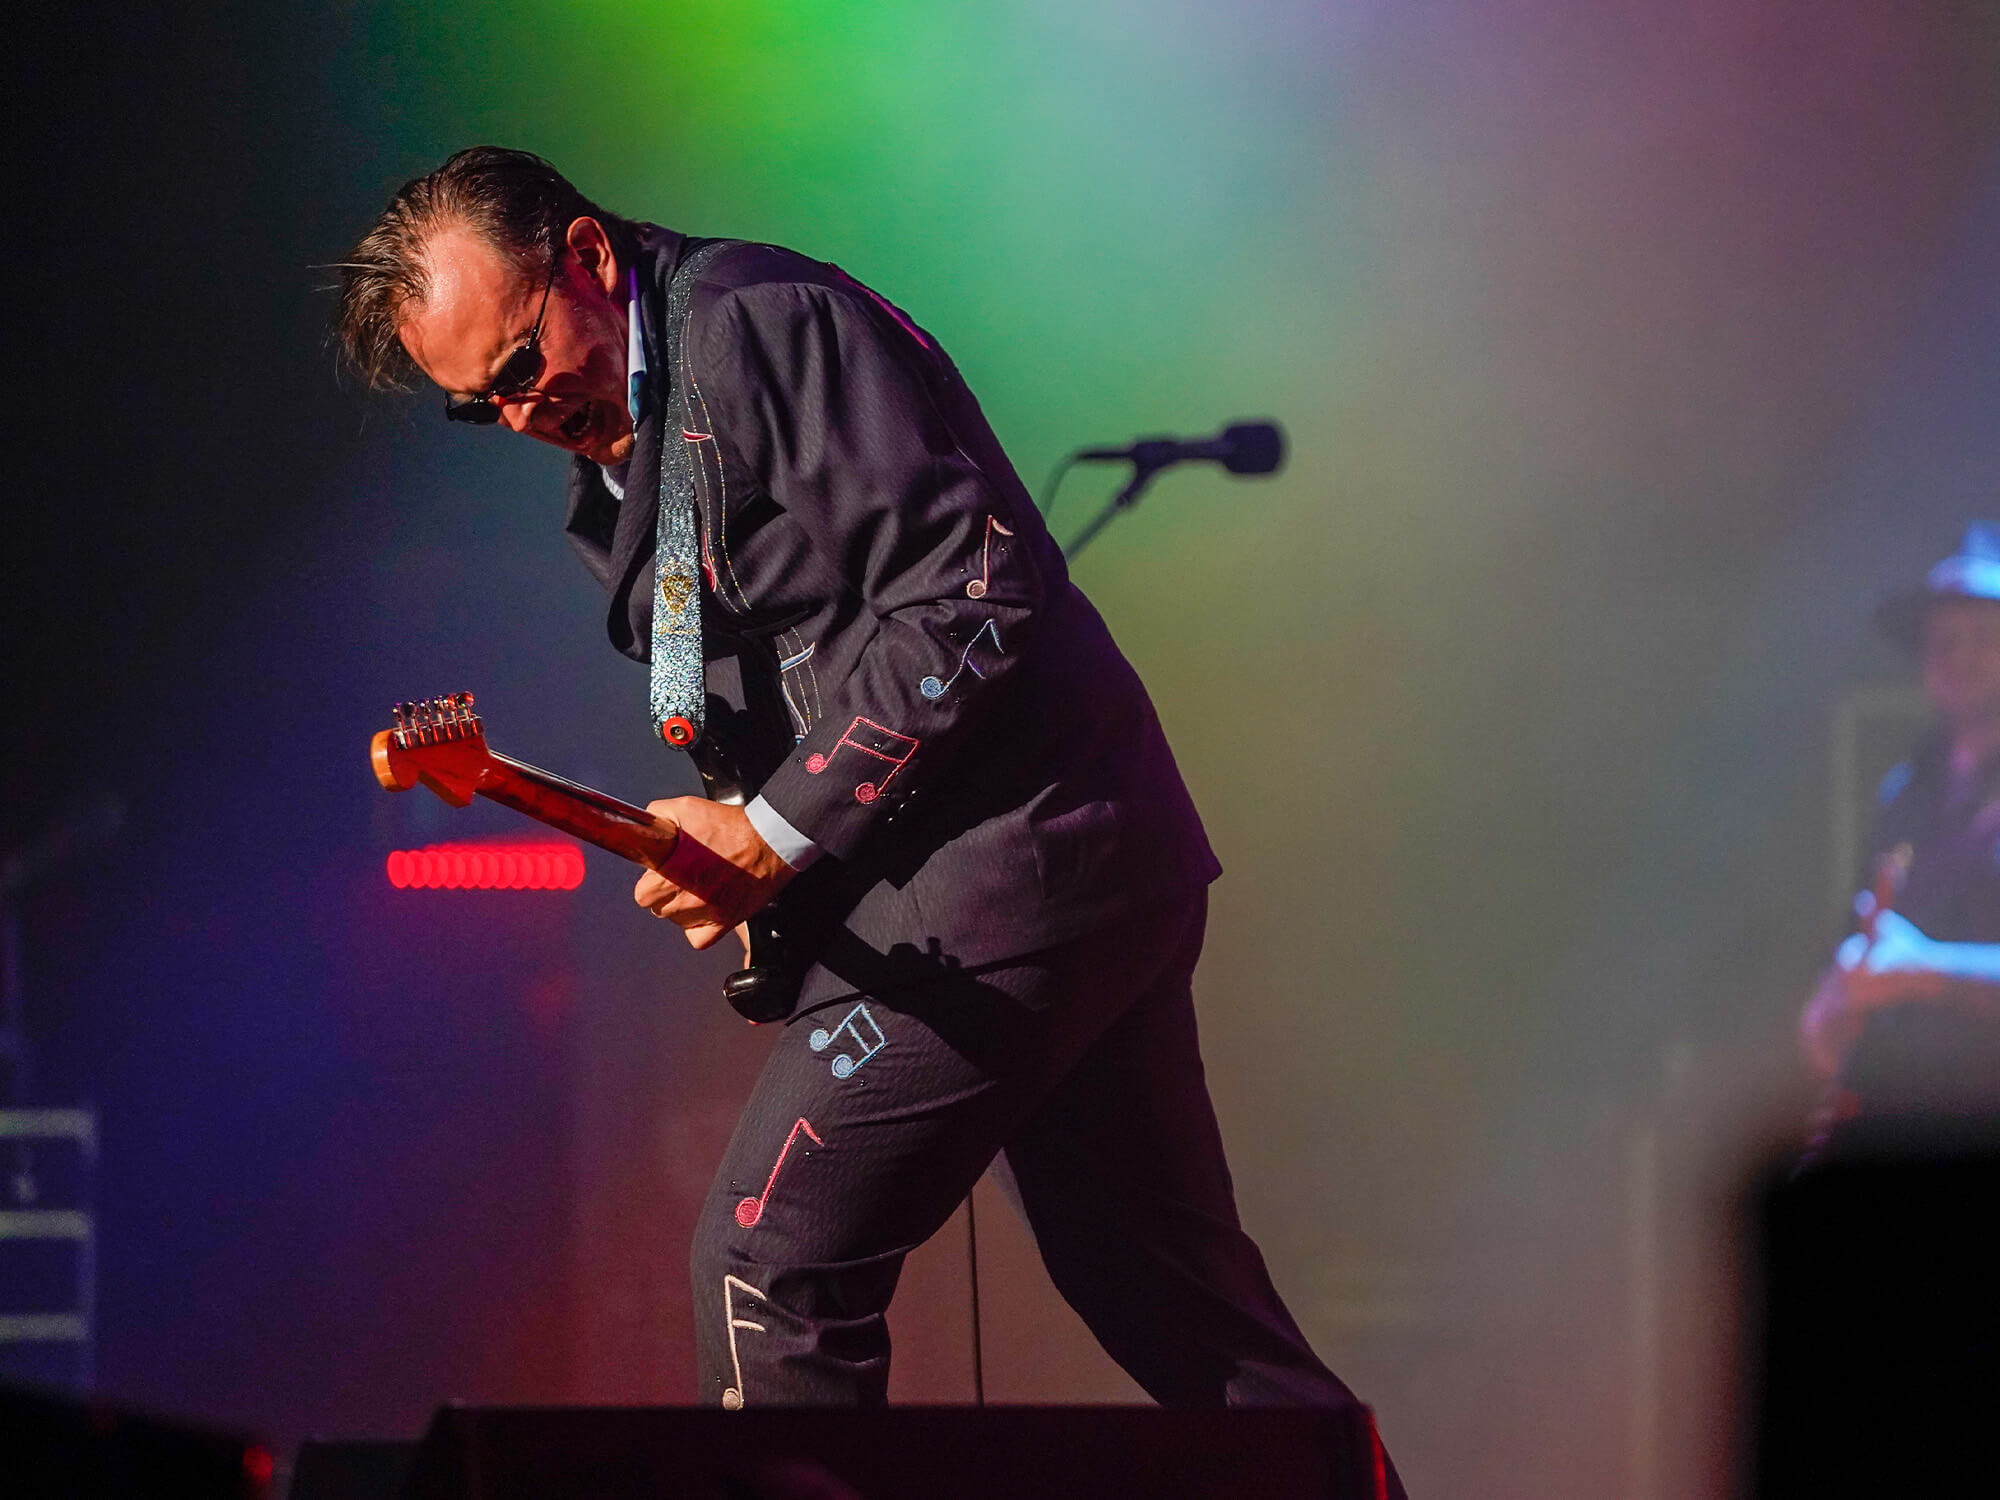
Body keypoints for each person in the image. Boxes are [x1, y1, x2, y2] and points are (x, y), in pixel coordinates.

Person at [334, 146, 1398, 1464]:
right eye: (474, 405)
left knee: (764, 1257)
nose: (514, 416)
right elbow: (797, 659)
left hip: (1011, 870)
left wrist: (775, 833)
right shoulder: (632, 441)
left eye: (519, 369)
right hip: (1057, 866)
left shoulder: (760, 324)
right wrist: (734, 822)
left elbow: (970, 589)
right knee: (1182, 1315)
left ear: (590, 261)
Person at [1799, 523, 2000, 1141]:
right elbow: (1868, 940)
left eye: (1984, 638)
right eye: (1941, 642)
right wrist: (1830, 1005)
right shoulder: (1907, 791)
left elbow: (1907, 963)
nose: (1958, 658)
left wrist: (1927, 972)